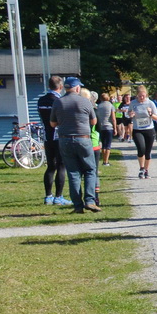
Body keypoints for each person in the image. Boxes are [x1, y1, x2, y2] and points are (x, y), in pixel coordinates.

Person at [53, 76, 101, 213]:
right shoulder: (85, 102)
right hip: (83, 139)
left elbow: (52, 123)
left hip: (65, 139)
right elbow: (94, 122)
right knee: (90, 170)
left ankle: (78, 206)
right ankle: (90, 201)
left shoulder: (58, 102)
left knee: (73, 172)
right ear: (77, 88)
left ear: (66, 88)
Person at [37, 74, 67, 206]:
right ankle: (58, 196)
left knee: (50, 166)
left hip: (47, 137)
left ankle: (48, 196)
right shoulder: (60, 101)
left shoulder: (41, 100)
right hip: (58, 136)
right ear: (60, 86)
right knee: (61, 166)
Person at [129, 86, 157, 179]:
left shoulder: (150, 103)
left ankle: (146, 170)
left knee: (148, 151)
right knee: (141, 148)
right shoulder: (133, 103)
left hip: (149, 129)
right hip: (137, 129)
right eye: (140, 96)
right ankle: (141, 168)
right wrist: (131, 114)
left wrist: (150, 114)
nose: (141, 98)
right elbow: (128, 114)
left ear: (146, 95)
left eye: (143, 96)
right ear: (137, 95)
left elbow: (156, 118)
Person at [95, 90, 117, 167]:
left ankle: (104, 159)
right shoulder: (111, 106)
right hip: (109, 126)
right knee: (108, 145)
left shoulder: (98, 106)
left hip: (101, 127)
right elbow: (113, 118)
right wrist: (115, 128)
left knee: (103, 144)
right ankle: (106, 161)